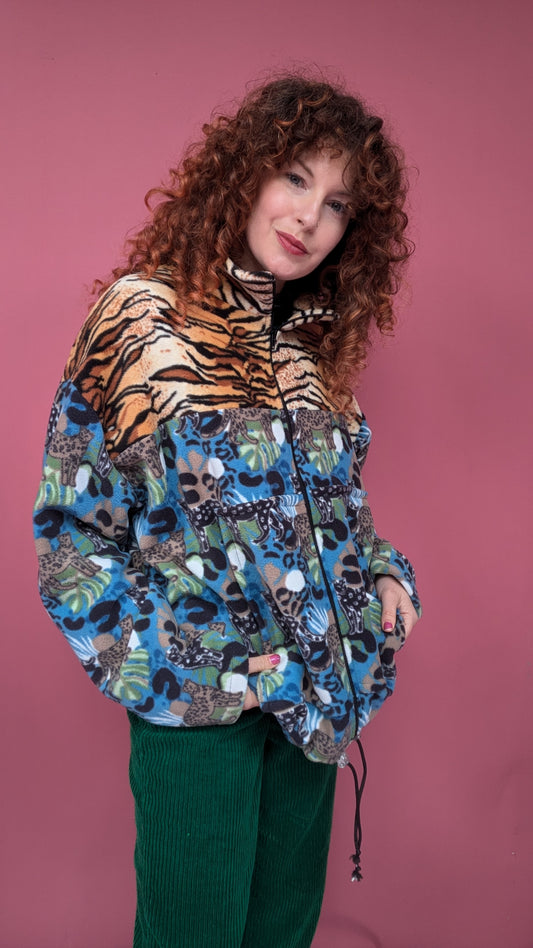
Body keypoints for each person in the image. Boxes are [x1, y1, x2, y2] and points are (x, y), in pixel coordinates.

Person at [34, 74, 421, 948]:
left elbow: (338, 515)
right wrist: (172, 664)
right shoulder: (142, 321)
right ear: (244, 173)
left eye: (336, 205)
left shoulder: (315, 354)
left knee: (281, 933)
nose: (308, 218)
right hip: (200, 707)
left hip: (316, 697)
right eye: (294, 177)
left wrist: (383, 576)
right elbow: (73, 529)